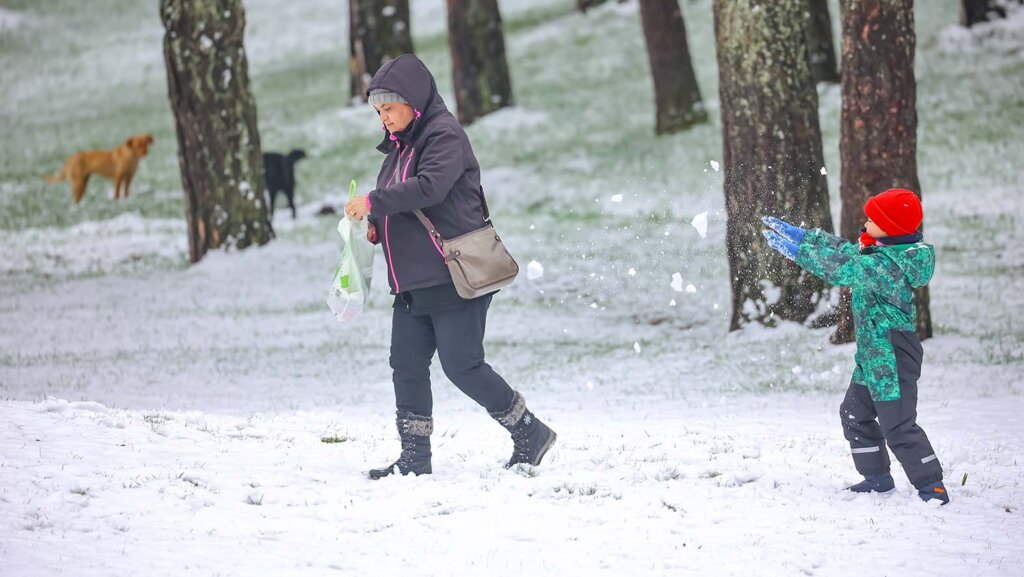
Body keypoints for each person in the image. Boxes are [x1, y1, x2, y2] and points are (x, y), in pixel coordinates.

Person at [343, 54, 556, 479]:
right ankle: (414, 460)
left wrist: (372, 201)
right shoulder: (399, 148)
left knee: (462, 365)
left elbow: (429, 189)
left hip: (454, 277)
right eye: (378, 111)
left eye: (389, 108)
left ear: (414, 100)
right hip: (412, 284)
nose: (383, 118)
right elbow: (402, 205)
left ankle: (529, 432)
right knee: (405, 364)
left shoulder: (444, 136)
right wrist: (376, 228)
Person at [762, 188, 949, 504]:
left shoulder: (887, 266)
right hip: (874, 355)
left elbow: (842, 268)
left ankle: (933, 486)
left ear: (890, 229)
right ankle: (877, 478)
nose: (865, 222)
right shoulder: (879, 255)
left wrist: (799, 253)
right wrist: (806, 238)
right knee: (854, 413)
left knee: (898, 427)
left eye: (872, 219)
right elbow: (845, 251)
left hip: (892, 356)